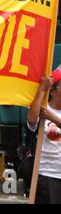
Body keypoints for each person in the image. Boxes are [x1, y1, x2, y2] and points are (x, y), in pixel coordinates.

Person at [27, 71, 61, 204]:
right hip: (46, 175)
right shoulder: (43, 109)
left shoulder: (50, 114)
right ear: (52, 91)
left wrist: (54, 119)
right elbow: (31, 120)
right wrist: (42, 89)